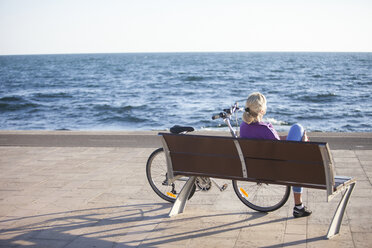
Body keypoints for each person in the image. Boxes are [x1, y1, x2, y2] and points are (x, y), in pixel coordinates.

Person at [240, 92, 312, 218]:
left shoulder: (243, 127)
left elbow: (274, 141)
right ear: (262, 110)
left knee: (295, 136)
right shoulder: (266, 128)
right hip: (277, 169)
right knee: (297, 128)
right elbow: (281, 149)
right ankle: (298, 206)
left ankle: (299, 207)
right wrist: (303, 144)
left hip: (254, 167)